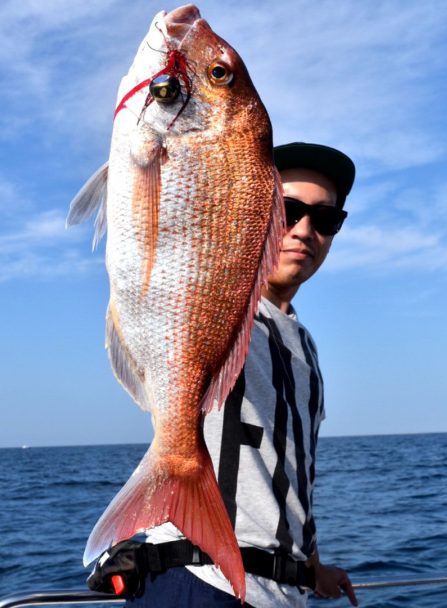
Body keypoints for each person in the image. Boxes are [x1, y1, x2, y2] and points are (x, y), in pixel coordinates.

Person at [88, 142, 358, 607]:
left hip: (281, 595)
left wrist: (310, 567)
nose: (304, 230)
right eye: (287, 210)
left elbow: (285, 470)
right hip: (198, 584)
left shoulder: (306, 345)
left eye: (325, 219)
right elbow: (154, 231)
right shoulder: (220, 310)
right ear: (252, 210)